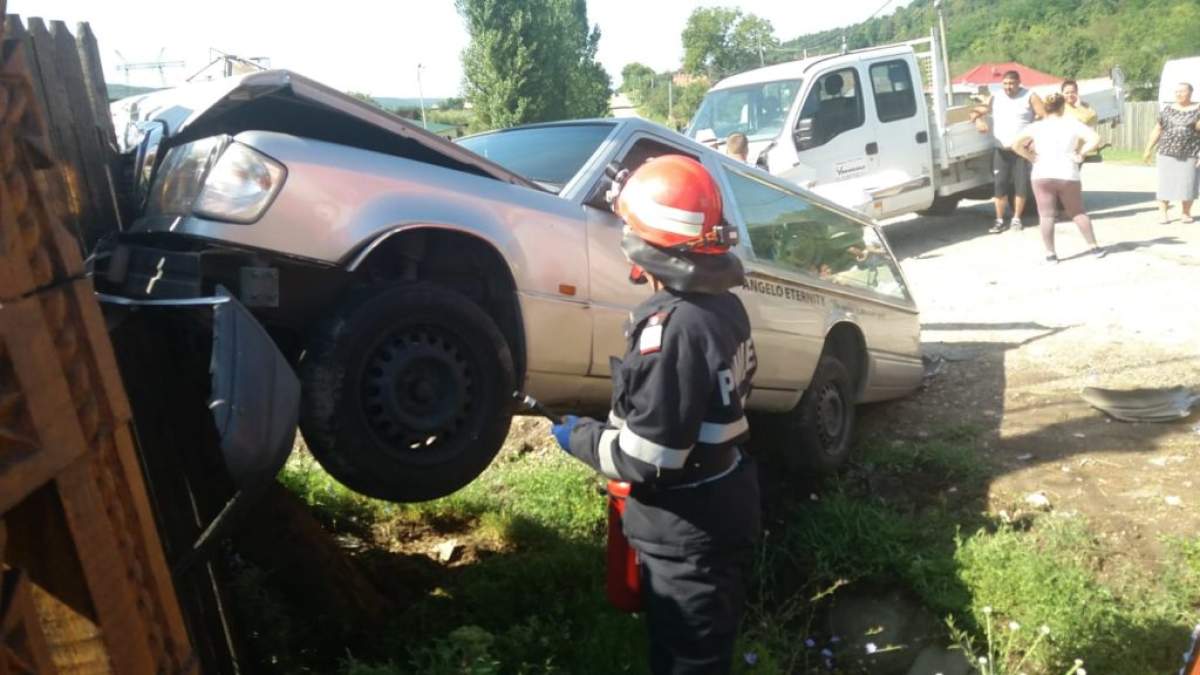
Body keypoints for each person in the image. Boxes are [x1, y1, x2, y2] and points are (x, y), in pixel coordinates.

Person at [550, 154, 759, 675]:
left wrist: (579, 438)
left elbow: (649, 458)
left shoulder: (672, 332)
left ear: (646, 250)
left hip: (688, 531)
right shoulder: (723, 308)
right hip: (719, 505)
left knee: (689, 660)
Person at [1010, 93, 1105, 262]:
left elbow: (1015, 144)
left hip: (1041, 173)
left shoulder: (1036, 126)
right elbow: (1095, 138)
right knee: (1077, 212)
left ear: (1045, 108)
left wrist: (1029, 157)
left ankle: (1050, 254)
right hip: (1067, 172)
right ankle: (1094, 247)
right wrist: (1081, 153)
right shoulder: (1072, 124)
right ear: (1063, 107)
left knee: (1046, 215)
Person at [970, 70, 1047, 233]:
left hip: (1020, 150)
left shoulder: (1030, 95)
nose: (1008, 87)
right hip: (1001, 149)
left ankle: (1016, 219)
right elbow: (977, 110)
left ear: (1019, 83)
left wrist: (1032, 136)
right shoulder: (996, 96)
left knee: (1020, 186)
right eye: (1005, 84)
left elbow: (1043, 115)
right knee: (999, 186)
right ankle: (999, 220)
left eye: (1011, 84)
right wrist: (978, 120)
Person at [1142, 82, 1200, 224]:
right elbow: (1157, 130)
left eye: (1182, 91)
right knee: (1165, 184)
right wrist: (1148, 149)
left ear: (1190, 93)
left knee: (1188, 183)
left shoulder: (1198, 110)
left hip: (1190, 153)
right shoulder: (1167, 110)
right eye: (1177, 92)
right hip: (1166, 152)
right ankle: (1163, 213)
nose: (1179, 94)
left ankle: (1185, 213)